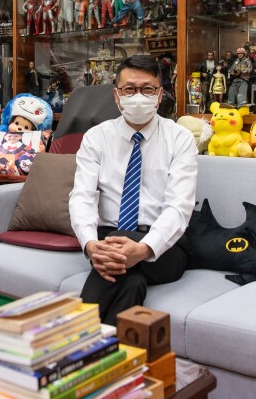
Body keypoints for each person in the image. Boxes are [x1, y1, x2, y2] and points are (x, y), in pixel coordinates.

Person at [70, 55, 196, 325]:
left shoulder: (180, 139)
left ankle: (76, 335)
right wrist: (91, 246)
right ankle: (116, 356)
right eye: (129, 89)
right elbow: (82, 197)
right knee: (131, 281)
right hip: (106, 240)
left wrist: (141, 249)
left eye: (147, 89)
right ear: (117, 96)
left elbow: (179, 207)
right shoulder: (96, 138)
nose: (138, 96)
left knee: (117, 247)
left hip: (164, 247)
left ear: (159, 95)